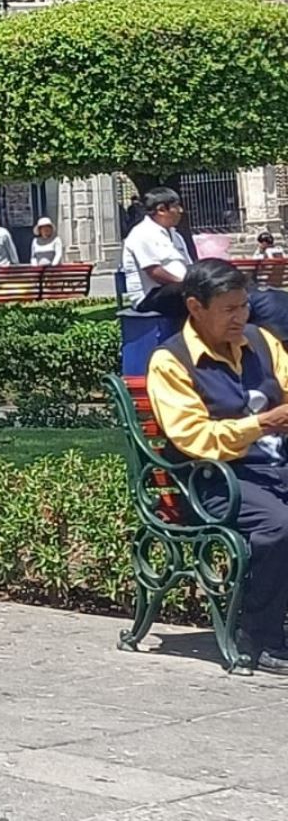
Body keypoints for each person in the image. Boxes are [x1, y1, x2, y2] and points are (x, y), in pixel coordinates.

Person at [146, 259, 288, 671]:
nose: (240, 317)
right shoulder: (170, 361)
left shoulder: (261, 341)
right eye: (229, 309)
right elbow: (193, 439)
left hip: (272, 467)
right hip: (213, 480)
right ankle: (258, 637)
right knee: (277, 525)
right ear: (195, 307)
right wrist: (261, 424)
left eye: (244, 307)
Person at [121, 187, 191, 309]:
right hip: (150, 296)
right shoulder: (141, 233)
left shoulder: (176, 235)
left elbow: (188, 266)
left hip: (176, 288)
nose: (180, 210)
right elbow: (154, 272)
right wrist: (186, 284)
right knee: (195, 295)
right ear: (161, 210)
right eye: (176, 206)